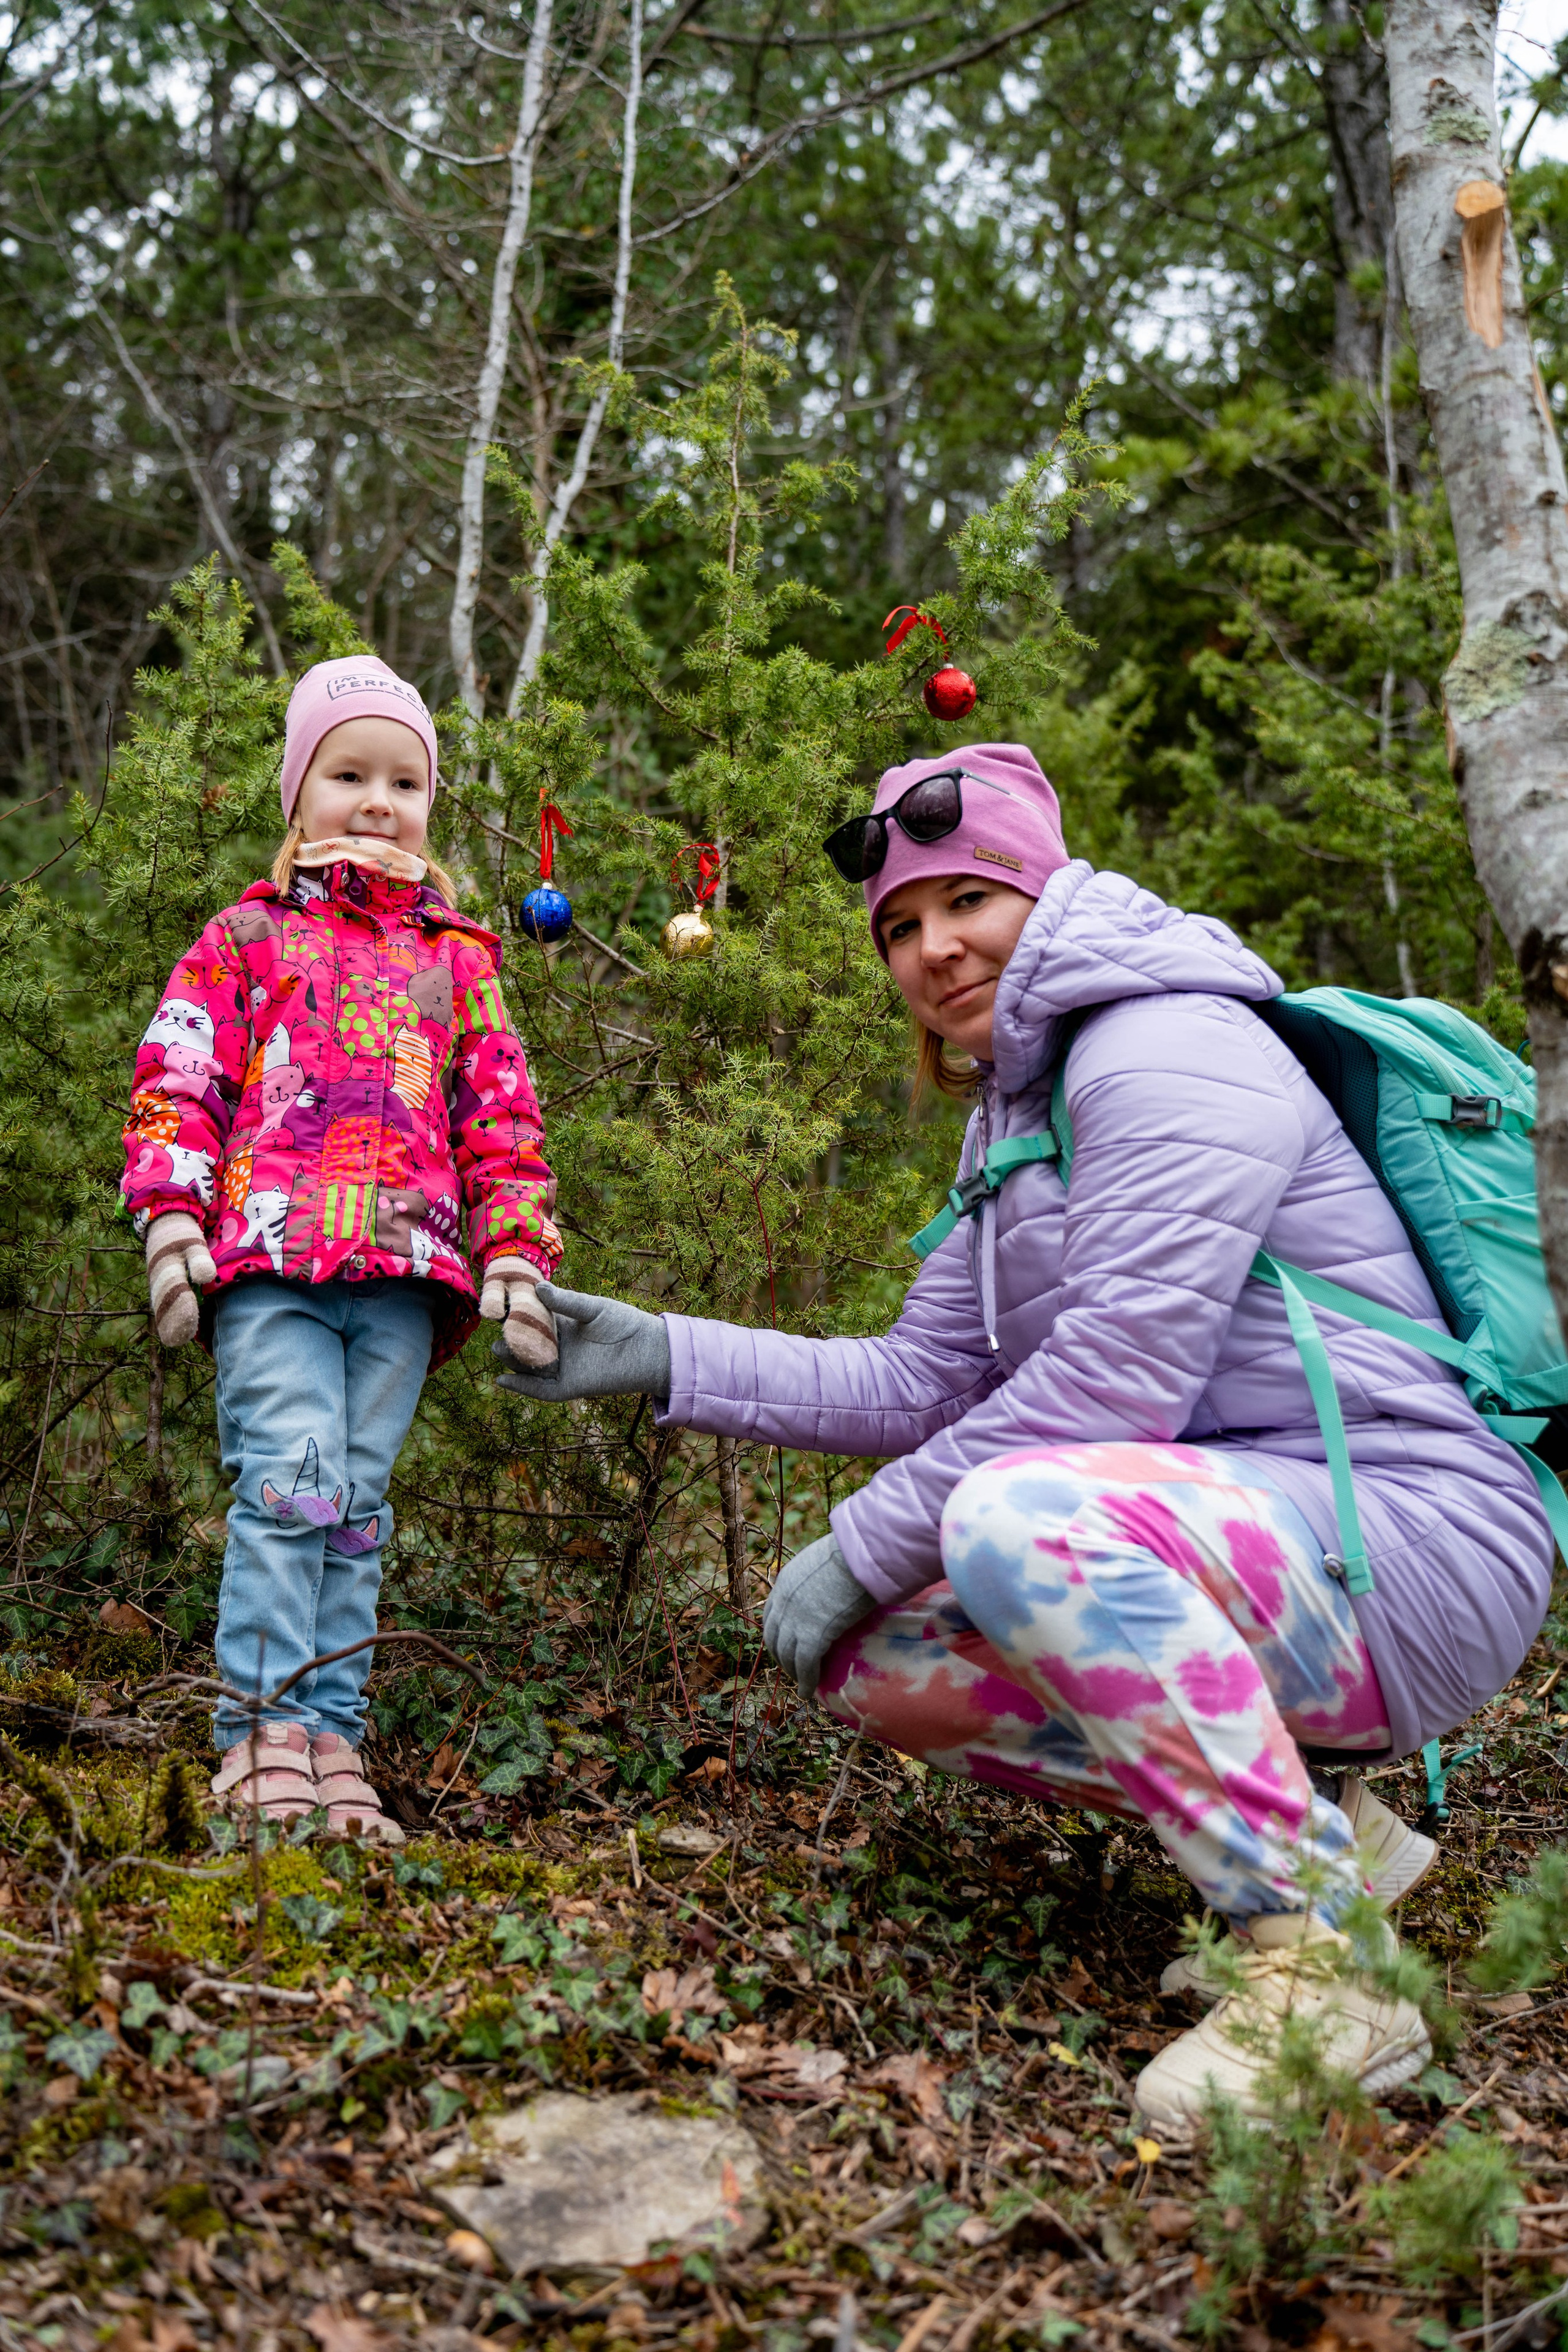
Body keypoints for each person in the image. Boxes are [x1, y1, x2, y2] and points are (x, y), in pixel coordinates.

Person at [494, 742, 1553, 2131]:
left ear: (1041, 893)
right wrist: (657, 1350)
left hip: (1414, 1542)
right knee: (883, 1653)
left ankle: (1323, 1969)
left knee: (1017, 1523)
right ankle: (1325, 1834)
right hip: (1253, 1536)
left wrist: (859, 1537)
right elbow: (924, 1379)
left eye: (965, 903)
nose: (933, 951)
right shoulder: (1014, 1115)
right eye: (900, 928)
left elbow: (1110, 1387)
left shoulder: (1166, 1044)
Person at [123, 655, 562, 1844]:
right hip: (272, 1269)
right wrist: (172, 1222)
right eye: (349, 773)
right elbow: (178, 1077)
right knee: (292, 1480)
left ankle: (327, 1737)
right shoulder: (248, 936)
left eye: (404, 781)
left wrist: (514, 1252)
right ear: (297, 791)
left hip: (409, 1284)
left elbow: (500, 1117)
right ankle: (254, 1733)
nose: (379, 801)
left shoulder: (460, 958)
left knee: (356, 1504)